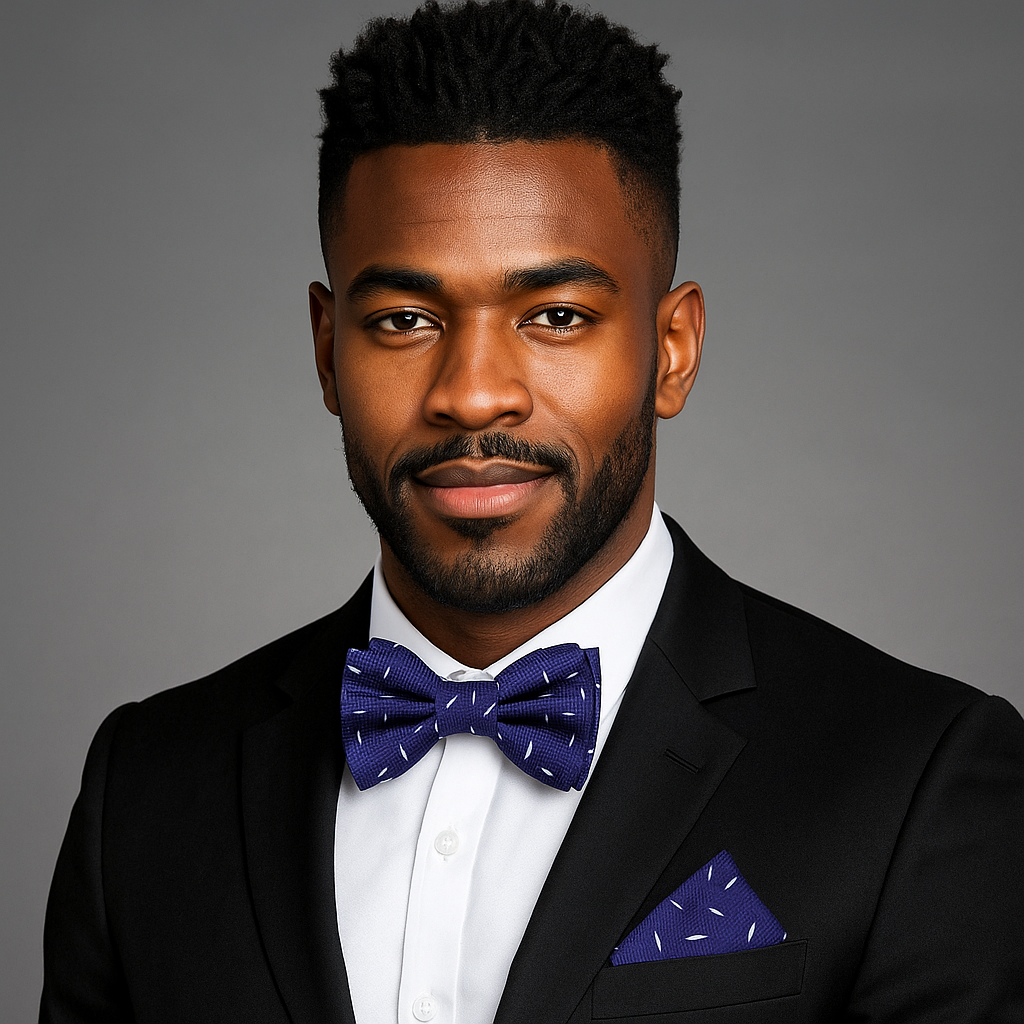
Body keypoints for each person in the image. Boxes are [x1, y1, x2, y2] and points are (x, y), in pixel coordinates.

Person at [40, 1, 1024, 1021]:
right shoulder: (145, 790)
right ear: (327, 347)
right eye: (404, 319)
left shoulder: (917, 782)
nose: (472, 393)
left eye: (554, 316)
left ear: (672, 348)